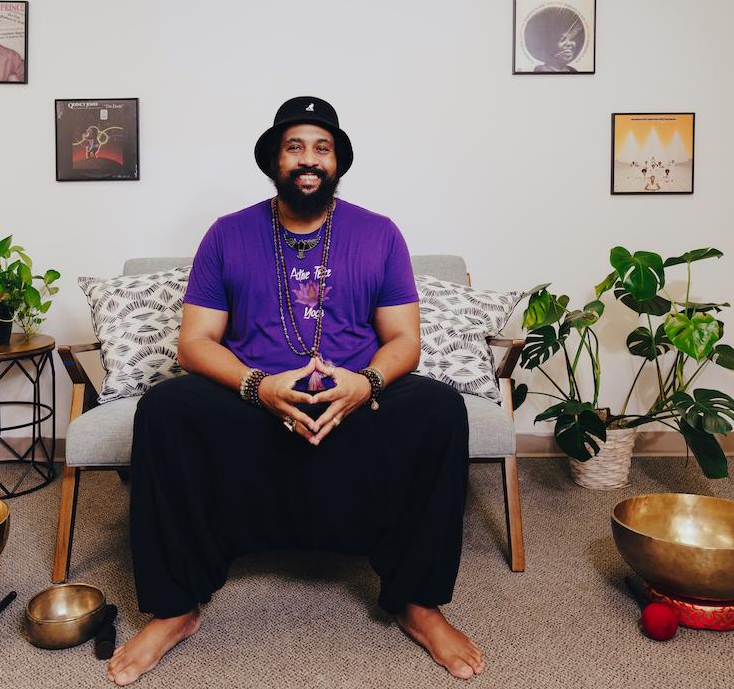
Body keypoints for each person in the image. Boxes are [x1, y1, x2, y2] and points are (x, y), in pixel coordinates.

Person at [107, 97, 482, 685]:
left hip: (354, 400)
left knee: (439, 409)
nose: (309, 159)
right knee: (165, 409)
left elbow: (405, 340)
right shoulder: (228, 234)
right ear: (274, 160)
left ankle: (418, 603)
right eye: (295, 147)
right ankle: (176, 609)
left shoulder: (379, 234)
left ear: (337, 162)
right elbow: (196, 342)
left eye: (322, 148)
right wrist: (259, 386)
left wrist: (364, 383)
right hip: (255, 398)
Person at [524, 5, 585, 73]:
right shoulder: (541, 73)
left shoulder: (573, 71)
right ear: (547, 44)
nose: (569, 44)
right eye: (562, 40)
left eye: (572, 38)